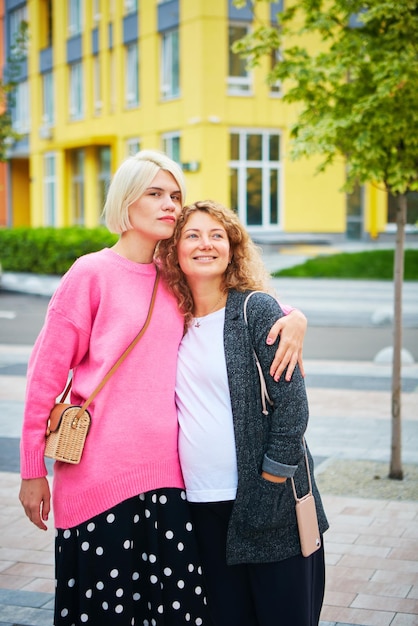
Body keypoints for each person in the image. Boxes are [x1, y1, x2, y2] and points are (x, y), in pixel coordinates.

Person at [19, 151, 307, 626]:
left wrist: (296, 318)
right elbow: (44, 378)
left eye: (175, 195)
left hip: (171, 484)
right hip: (97, 481)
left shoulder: (173, 274)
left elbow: (250, 305)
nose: (169, 204)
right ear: (126, 202)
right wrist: (33, 471)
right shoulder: (89, 274)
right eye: (155, 193)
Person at [157, 199, 329, 626]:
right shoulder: (169, 319)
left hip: (266, 499)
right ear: (175, 248)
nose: (206, 244)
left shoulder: (255, 310)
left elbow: (292, 409)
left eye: (217, 235)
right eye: (192, 235)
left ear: (232, 248)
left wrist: (269, 481)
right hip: (201, 501)